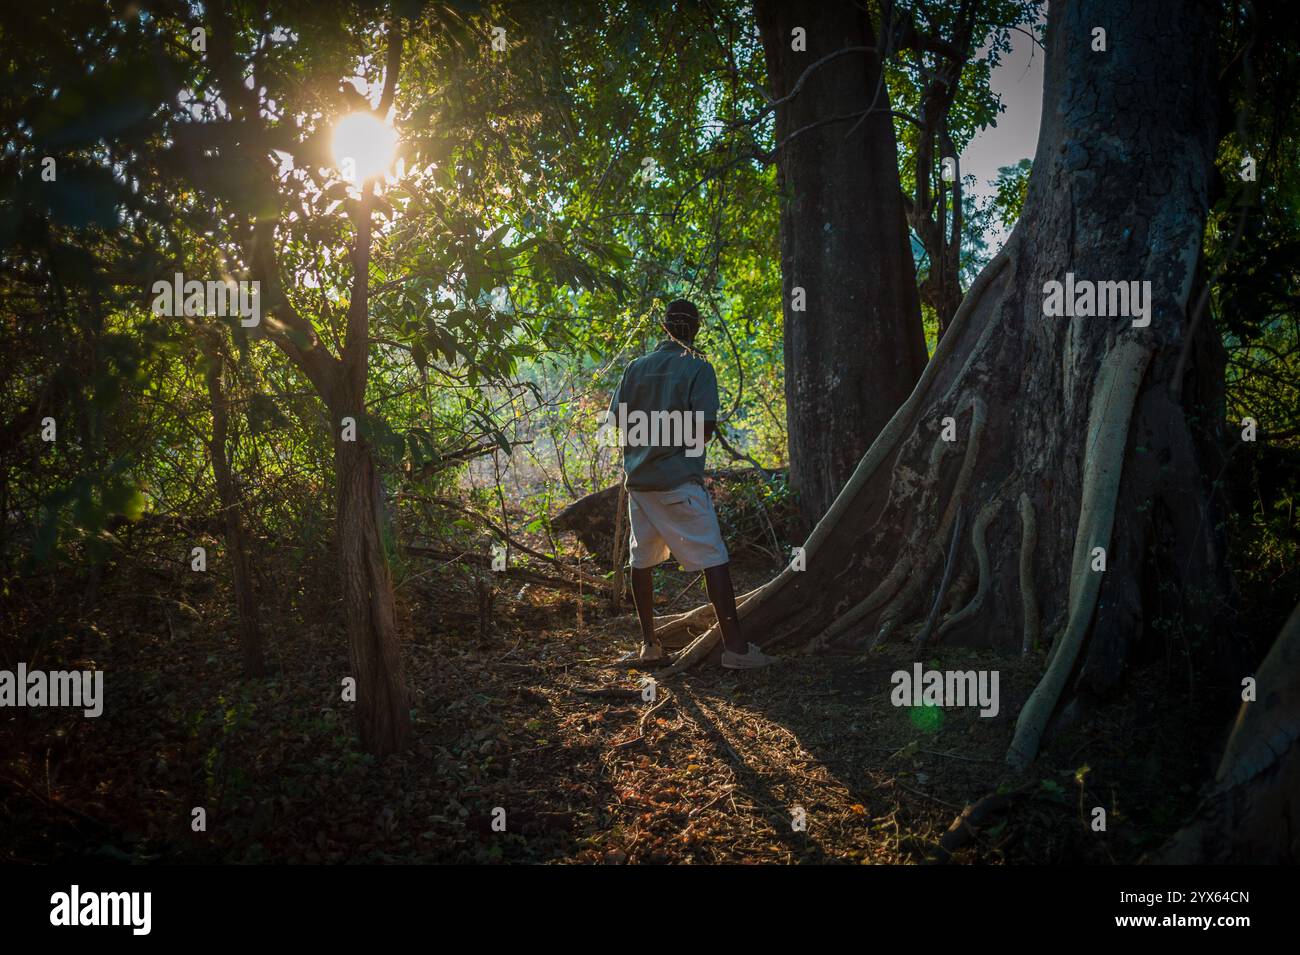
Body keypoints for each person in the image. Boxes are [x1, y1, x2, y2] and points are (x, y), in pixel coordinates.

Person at [605, 299, 776, 669]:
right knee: (714, 559)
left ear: (664, 328)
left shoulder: (635, 368)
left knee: (642, 560)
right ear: (695, 328)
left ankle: (649, 646)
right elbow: (704, 428)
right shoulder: (697, 366)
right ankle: (736, 650)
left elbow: (618, 422)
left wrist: (647, 436)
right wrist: (672, 438)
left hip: (639, 483)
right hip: (677, 481)